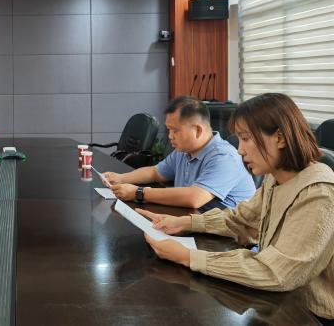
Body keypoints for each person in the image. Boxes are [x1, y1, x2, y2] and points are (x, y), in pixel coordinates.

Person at [139, 93, 334, 324]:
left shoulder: (318, 192)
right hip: (280, 302)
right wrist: (184, 222)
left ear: (280, 138)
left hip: (311, 315)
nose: (240, 150)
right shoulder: (276, 178)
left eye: (246, 138)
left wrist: (187, 257)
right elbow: (241, 218)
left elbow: (276, 272)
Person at [103, 96, 255, 210]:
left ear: (198, 130)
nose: (170, 136)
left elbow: (195, 198)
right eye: (169, 129)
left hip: (227, 237)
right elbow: (155, 172)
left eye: (175, 130)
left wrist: (139, 192)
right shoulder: (183, 151)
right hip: (194, 222)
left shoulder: (224, 157)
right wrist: (120, 178)